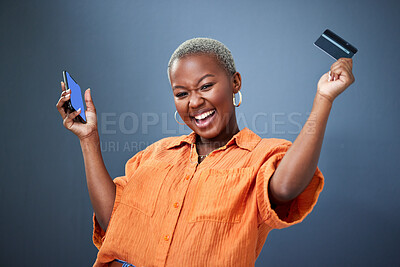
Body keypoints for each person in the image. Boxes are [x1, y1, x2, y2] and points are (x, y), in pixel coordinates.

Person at [56, 38, 354, 267]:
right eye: (181, 93)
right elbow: (114, 222)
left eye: (206, 86)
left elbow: (287, 187)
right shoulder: (154, 155)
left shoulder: (261, 155)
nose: (195, 102)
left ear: (234, 82)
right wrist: (89, 139)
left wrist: (323, 99)